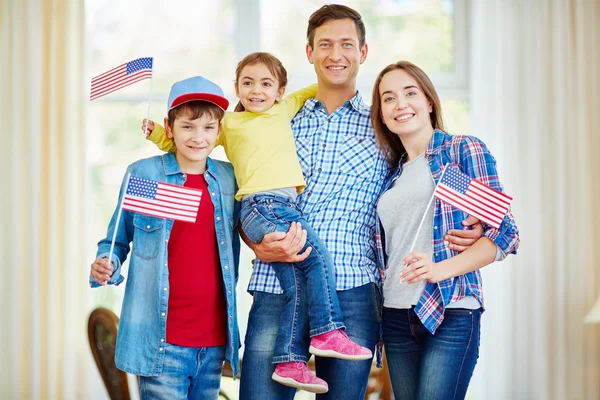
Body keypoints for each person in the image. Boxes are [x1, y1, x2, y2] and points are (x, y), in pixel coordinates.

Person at [238, 5, 484, 400]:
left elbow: (423, 180)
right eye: (326, 44)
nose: (336, 54)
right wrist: (255, 243)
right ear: (309, 52)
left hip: (354, 290)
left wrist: (474, 222)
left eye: (346, 44)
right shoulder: (277, 118)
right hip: (278, 284)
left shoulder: (385, 124)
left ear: (363, 53)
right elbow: (248, 192)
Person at [143, 51, 373, 394]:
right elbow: (195, 141)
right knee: (319, 259)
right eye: (247, 83)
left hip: (282, 205)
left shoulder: (286, 107)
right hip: (262, 206)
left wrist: (337, 67)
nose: (256, 90)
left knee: (297, 282)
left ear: (280, 90)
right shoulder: (229, 124)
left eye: (266, 84)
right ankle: (327, 332)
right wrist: (156, 135)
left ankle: (290, 361)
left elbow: (318, 87)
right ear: (236, 87)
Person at [371, 60, 520, 400]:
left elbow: (506, 234)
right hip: (395, 315)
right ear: (381, 113)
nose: (400, 104)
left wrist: (439, 270)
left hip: (450, 308)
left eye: (410, 93)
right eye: (389, 98)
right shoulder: (390, 176)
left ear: (429, 102)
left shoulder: (459, 151)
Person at [89, 76, 241, 399]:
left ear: (219, 132)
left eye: (208, 128)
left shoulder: (229, 180)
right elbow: (117, 239)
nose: (198, 137)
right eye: (188, 126)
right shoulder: (145, 174)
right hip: (162, 345)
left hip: (213, 345)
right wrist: (108, 261)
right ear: (168, 128)